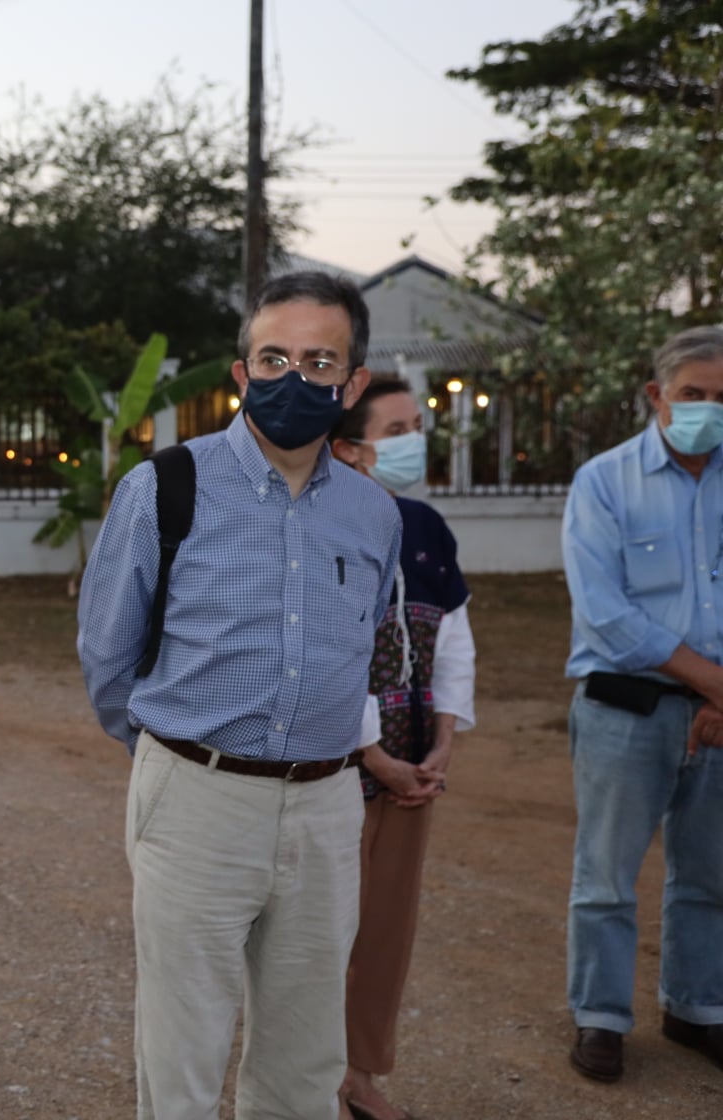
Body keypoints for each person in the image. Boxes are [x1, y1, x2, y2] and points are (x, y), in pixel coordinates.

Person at [77, 270, 402, 1120]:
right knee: (182, 1056)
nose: (294, 379)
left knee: (305, 1059)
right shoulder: (164, 488)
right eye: (274, 357)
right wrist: (173, 759)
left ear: (353, 383)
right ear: (241, 372)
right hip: (196, 797)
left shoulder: (375, 514)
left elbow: (364, 645)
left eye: (320, 361)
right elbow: (107, 658)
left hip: (329, 805)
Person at [560, 324, 723, 1083]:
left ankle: (696, 1008)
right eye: (694, 394)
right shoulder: (603, 481)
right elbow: (607, 615)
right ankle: (601, 1018)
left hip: (715, 712)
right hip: (626, 708)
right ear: (658, 395)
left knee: (710, 873)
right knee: (606, 876)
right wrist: (714, 682)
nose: (707, 409)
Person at [327, 378, 476, 1120]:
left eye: (419, 424)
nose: (417, 437)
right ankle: (304, 1078)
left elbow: (453, 639)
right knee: (319, 936)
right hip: (332, 773)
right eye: (399, 428)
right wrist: (368, 753)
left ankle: (359, 1078)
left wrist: (444, 739)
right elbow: (322, 652)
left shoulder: (425, 525)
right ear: (350, 447)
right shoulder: (317, 524)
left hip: (413, 769)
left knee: (386, 931)